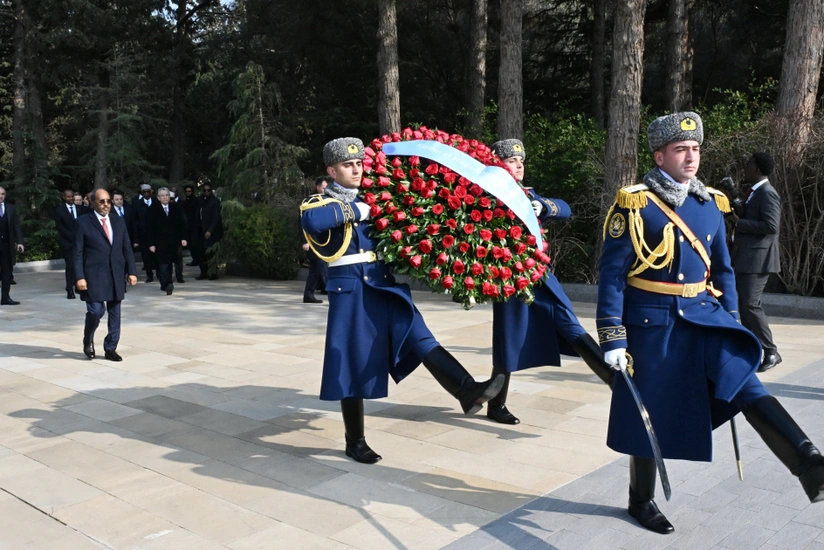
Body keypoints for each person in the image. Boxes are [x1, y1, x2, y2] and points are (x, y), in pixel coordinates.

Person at [597, 112, 823, 534]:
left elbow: (723, 271)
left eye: (696, 149)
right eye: (681, 149)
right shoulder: (635, 202)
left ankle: (808, 461)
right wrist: (612, 334)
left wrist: (733, 322)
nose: (691, 157)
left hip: (705, 318)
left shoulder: (710, 204)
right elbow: (611, 275)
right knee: (650, 413)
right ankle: (639, 499)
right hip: (653, 324)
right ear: (659, 155)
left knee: (744, 381)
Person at [301, 137, 505, 464]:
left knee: (420, 336)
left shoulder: (377, 196)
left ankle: (466, 389)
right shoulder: (320, 201)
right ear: (332, 170)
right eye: (347, 165)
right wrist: (358, 209)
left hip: (383, 285)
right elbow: (313, 221)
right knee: (353, 366)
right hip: (351, 291)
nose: (356, 169)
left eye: (358, 163)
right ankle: (355, 440)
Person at [487, 139, 615, 425]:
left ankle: (612, 378)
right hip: (510, 277)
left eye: (521, 160)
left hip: (541, 274)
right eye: (511, 161)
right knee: (508, 341)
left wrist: (542, 206)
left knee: (570, 322)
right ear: (498, 164)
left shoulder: (529, 194)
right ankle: (496, 403)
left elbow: (565, 208)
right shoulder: (488, 198)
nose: (519, 164)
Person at [729, 152, 782, 372]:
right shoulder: (754, 193)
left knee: (751, 305)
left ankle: (771, 351)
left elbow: (771, 226)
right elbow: (749, 214)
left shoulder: (768, 194)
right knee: (744, 305)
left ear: (758, 169)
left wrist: (738, 223)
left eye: (749, 164)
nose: (746, 167)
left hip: (758, 260)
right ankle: (752, 349)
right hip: (746, 258)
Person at [73, 189, 138, 361]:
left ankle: (110, 348)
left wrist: (132, 271)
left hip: (115, 274)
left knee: (115, 313)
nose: (106, 204)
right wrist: (79, 276)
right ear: (93, 202)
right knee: (96, 311)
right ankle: (88, 338)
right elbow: (77, 253)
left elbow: (127, 248)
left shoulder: (118, 221)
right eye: (102, 201)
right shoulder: (83, 223)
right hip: (93, 275)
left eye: (108, 201)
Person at [147, 187, 187, 295]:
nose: (165, 197)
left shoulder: (175, 208)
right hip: (159, 243)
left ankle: (166, 282)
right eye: (163, 195)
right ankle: (167, 284)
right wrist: (151, 244)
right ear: (158, 198)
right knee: (162, 264)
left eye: (167, 195)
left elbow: (182, 224)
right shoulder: (152, 209)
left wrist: (183, 238)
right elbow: (149, 228)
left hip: (173, 242)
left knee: (169, 264)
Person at [54, 189, 90, 299]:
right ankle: (69, 288)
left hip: (81, 242)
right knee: (70, 265)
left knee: (80, 264)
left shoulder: (81, 209)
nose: (71, 198)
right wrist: (73, 237)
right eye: (68, 197)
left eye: (72, 196)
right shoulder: (59, 210)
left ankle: (79, 286)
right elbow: (60, 227)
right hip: (67, 242)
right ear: (64, 197)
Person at [301, 176, 330, 303]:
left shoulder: (329, 200)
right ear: (318, 187)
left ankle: (310, 294)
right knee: (320, 267)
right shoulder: (309, 201)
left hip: (324, 241)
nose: (326, 190)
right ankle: (325, 289)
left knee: (316, 269)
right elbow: (301, 222)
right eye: (324, 187)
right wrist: (304, 241)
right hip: (312, 240)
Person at [0, 186, 25, 305]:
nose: (0, 196)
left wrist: (20, 242)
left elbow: (16, 226)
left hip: (6, 246)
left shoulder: (10, 208)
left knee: (6, 272)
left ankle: (5, 297)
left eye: (3, 194)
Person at [194, 184, 222, 280]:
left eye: (208, 190)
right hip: (200, 230)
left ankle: (213, 273)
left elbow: (216, 217)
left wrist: (210, 230)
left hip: (211, 232)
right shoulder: (201, 201)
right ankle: (203, 272)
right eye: (205, 190)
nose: (206, 192)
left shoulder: (215, 201)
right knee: (201, 253)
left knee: (210, 253)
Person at [134, 183, 158, 283]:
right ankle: (149, 275)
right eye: (144, 192)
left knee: (157, 255)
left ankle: (160, 274)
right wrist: (136, 238)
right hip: (143, 234)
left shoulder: (156, 202)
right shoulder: (137, 203)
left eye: (148, 191)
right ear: (141, 192)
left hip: (156, 233)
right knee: (146, 256)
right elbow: (135, 221)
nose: (147, 193)